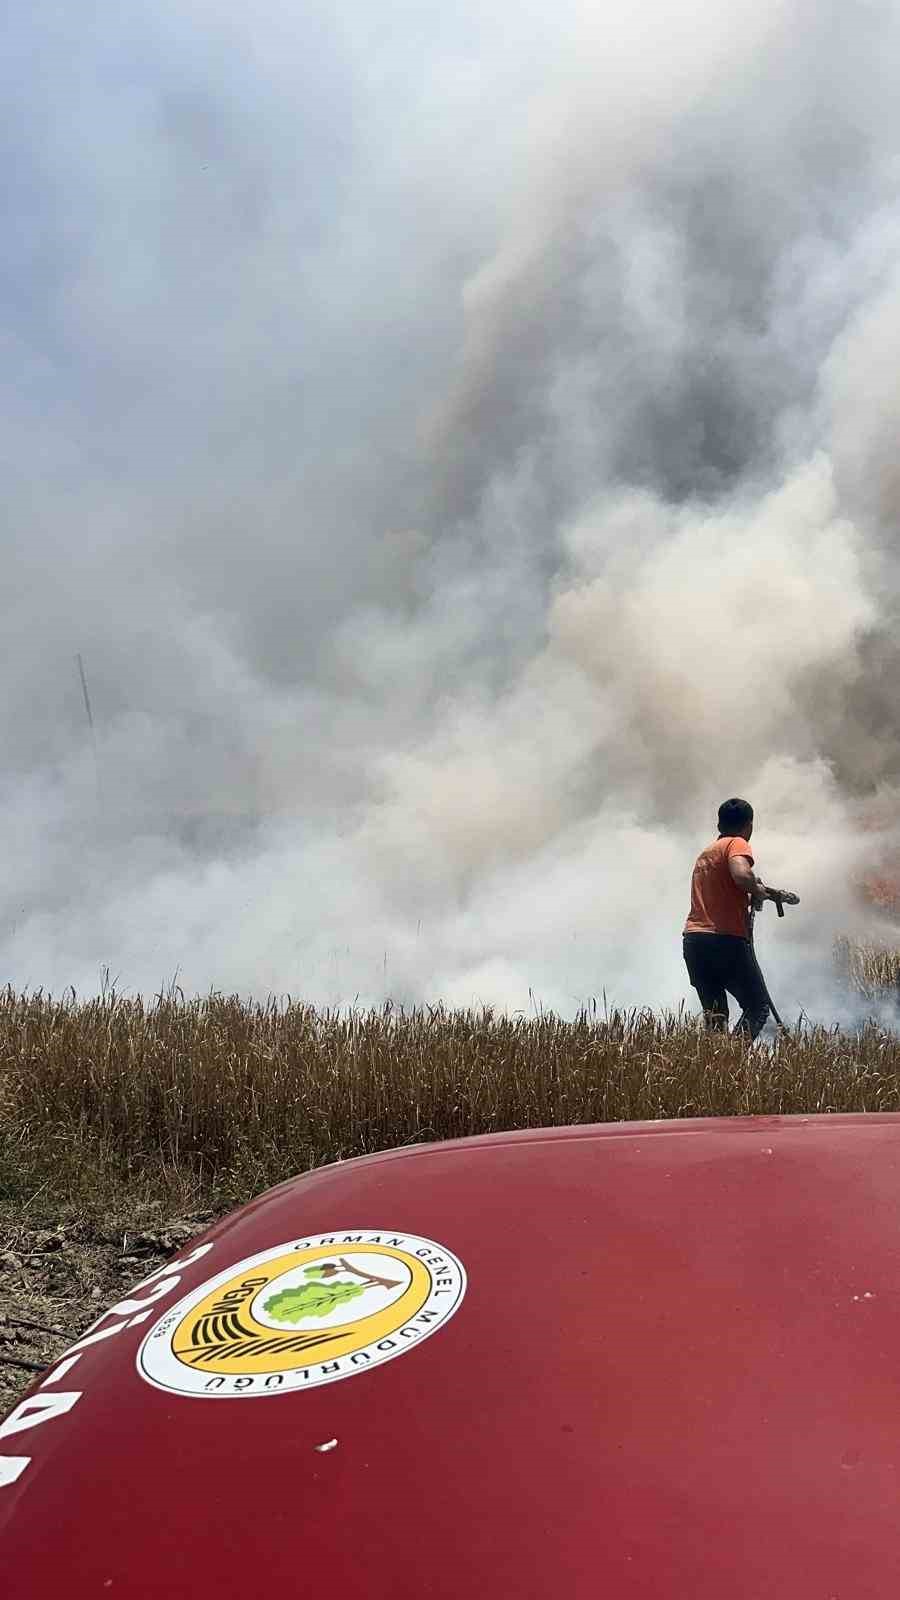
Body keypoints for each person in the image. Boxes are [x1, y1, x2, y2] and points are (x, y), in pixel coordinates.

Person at [683, 798, 797, 1039]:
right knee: (757, 1007)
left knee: (716, 1017)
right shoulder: (736, 843)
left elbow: (729, 885)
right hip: (724, 941)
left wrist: (759, 891)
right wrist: (756, 891)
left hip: (694, 942)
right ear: (749, 825)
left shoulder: (706, 854)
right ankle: (731, 1062)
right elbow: (742, 875)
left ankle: (714, 1068)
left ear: (719, 824)